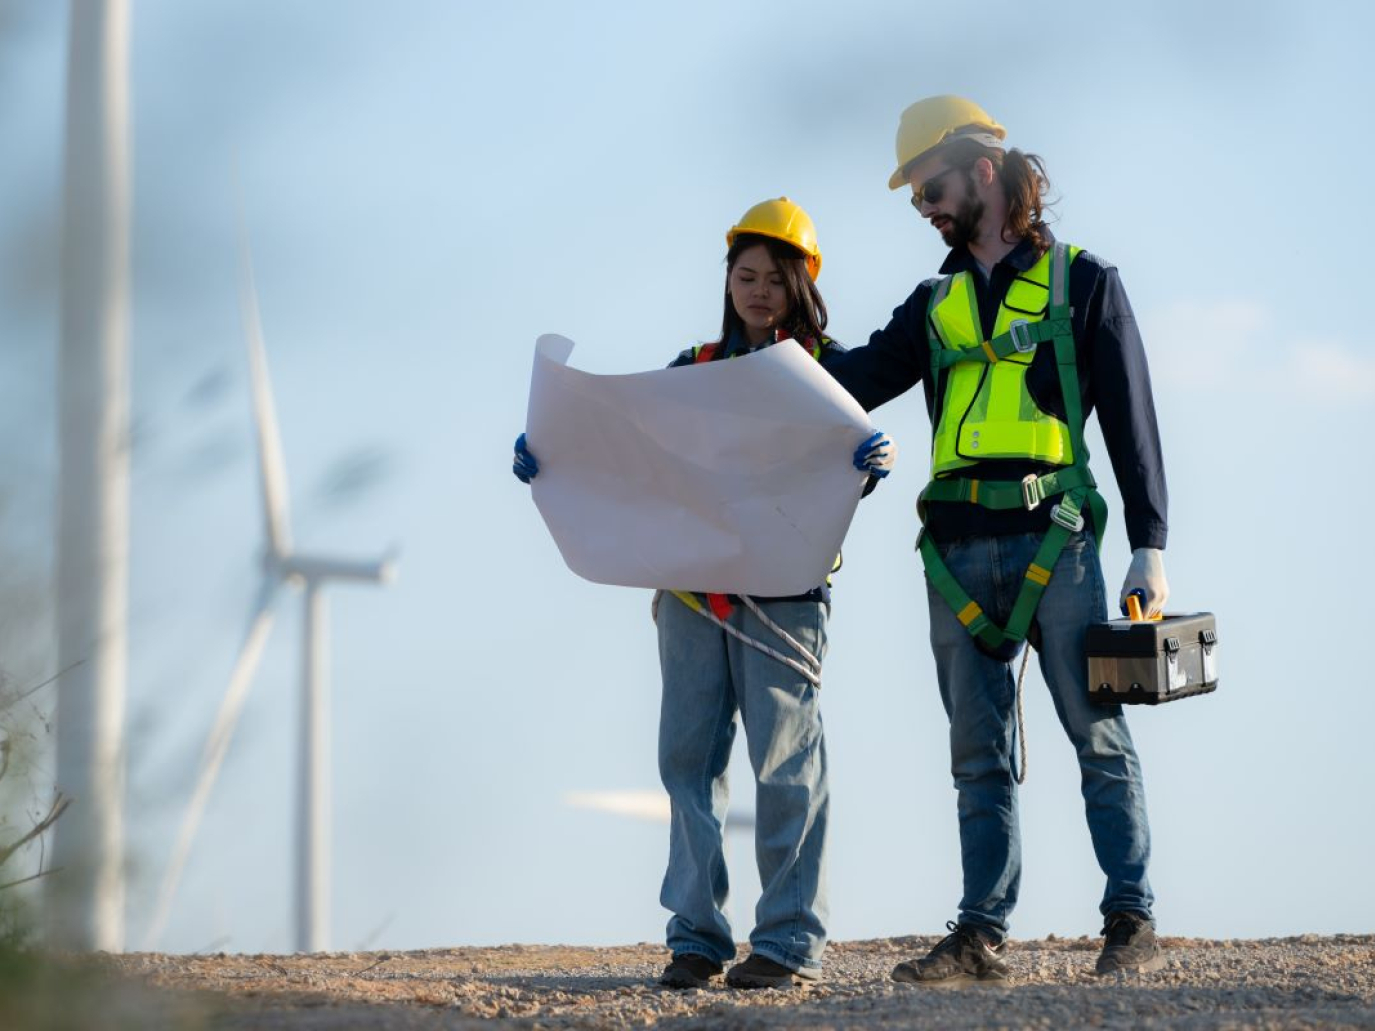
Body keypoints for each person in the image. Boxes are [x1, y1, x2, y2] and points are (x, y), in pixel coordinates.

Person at [823, 97, 1169, 984]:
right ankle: (979, 933)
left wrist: (1149, 541)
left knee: (1094, 732)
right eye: (912, 199)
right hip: (954, 550)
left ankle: (1129, 918)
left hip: (1057, 537)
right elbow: (850, 380)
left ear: (982, 170)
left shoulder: (1083, 281)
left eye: (929, 187)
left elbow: (1130, 418)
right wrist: (749, 365)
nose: (923, 209)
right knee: (976, 755)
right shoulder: (932, 303)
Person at [512, 198, 896, 990]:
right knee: (686, 763)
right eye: (745, 275)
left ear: (801, 284)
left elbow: (829, 480)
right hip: (691, 595)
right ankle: (695, 935)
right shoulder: (688, 370)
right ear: (727, 278)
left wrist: (869, 457)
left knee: (786, 764)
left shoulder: (825, 374)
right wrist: (550, 451)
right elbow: (628, 451)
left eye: (774, 278)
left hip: (783, 597)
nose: (758, 291)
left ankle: (788, 940)